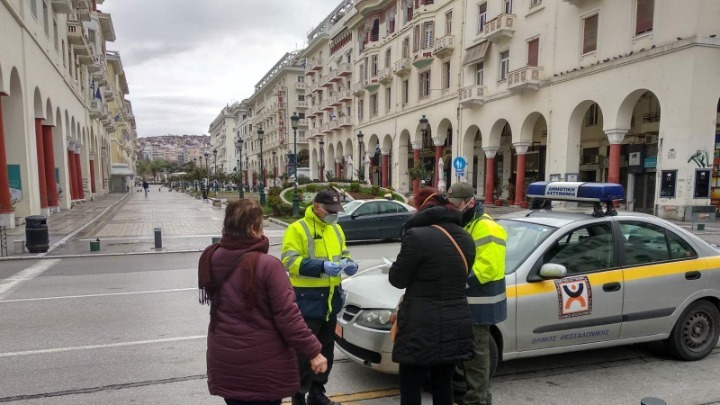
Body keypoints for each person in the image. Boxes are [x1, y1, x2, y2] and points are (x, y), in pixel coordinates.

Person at [199, 199, 328, 405]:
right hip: (261, 366)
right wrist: (313, 352)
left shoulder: (211, 256)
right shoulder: (267, 265)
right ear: (252, 228)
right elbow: (288, 318)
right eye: (261, 224)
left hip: (224, 359)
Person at [389, 187, 475, 405]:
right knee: (443, 384)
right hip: (455, 322)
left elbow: (397, 280)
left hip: (421, 325)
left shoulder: (416, 236)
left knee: (411, 386)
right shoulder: (466, 237)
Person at [281, 189, 358, 405]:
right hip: (307, 300)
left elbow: (343, 253)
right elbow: (289, 261)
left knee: (326, 351)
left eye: (336, 210)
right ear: (316, 207)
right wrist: (321, 266)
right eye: (329, 210)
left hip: (331, 300)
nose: (334, 214)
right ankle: (299, 397)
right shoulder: (297, 229)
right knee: (304, 355)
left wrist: (349, 263)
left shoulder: (336, 229)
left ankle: (317, 392)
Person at [446, 182, 508, 405]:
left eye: (457, 205)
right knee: (467, 357)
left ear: (470, 202)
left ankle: (478, 401)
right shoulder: (467, 223)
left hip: (481, 304)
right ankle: (471, 398)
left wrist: (455, 282)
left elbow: (487, 268)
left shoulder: (487, 228)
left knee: (477, 358)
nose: (453, 209)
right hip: (467, 303)